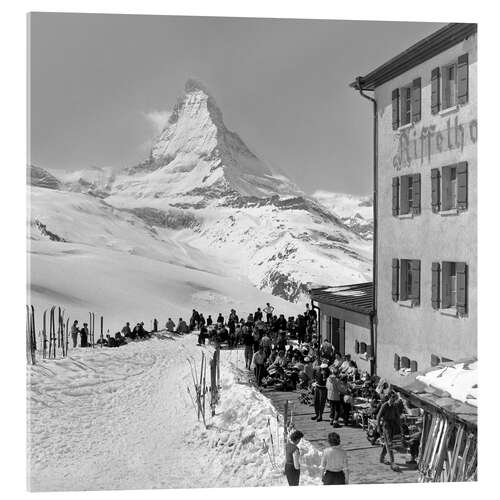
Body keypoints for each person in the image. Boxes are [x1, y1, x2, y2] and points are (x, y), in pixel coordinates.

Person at [377, 390, 403, 472]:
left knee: (388, 442)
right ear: (389, 397)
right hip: (386, 425)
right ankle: (392, 462)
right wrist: (378, 427)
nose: (393, 399)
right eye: (392, 397)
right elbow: (378, 417)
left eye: (395, 398)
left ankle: (382, 458)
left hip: (393, 425)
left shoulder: (395, 406)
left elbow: (397, 417)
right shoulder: (384, 405)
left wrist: (400, 427)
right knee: (389, 443)